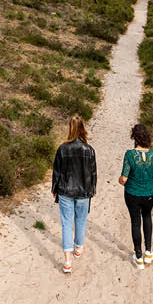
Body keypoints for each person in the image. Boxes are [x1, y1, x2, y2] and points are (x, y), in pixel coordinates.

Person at [51, 114, 96, 274]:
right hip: (84, 192)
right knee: (81, 221)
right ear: (83, 128)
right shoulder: (89, 150)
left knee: (66, 223)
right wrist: (92, 192)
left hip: (65, 191)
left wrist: (54, 189)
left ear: (70, 128)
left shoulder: (63, 148)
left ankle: (67, 261)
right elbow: (93, 174)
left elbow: (56, 172)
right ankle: (78, 248)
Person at [118, 123, 153, 269]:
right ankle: (148, 253)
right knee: (147, 218)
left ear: (134, 137)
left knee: (135, 222)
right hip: (149, 193)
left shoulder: (130, 155)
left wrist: (121, 181)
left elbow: (124, 178)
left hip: (132, 194)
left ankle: (138, 257)